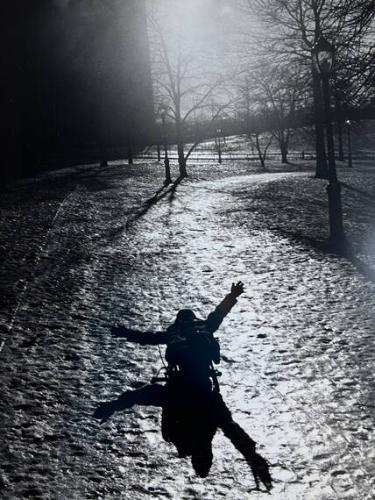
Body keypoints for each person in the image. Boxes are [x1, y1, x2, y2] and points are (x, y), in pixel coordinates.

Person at [94, 282, 272, 490]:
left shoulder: (173, 334)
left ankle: (113, 406)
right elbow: (220, 313)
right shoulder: (205, 326)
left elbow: (145, 338)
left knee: (146, 394)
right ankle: (252, 458)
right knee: (227, 424)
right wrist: (232, 295)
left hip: (179, 389)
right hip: (204, 390)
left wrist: (123, 333)